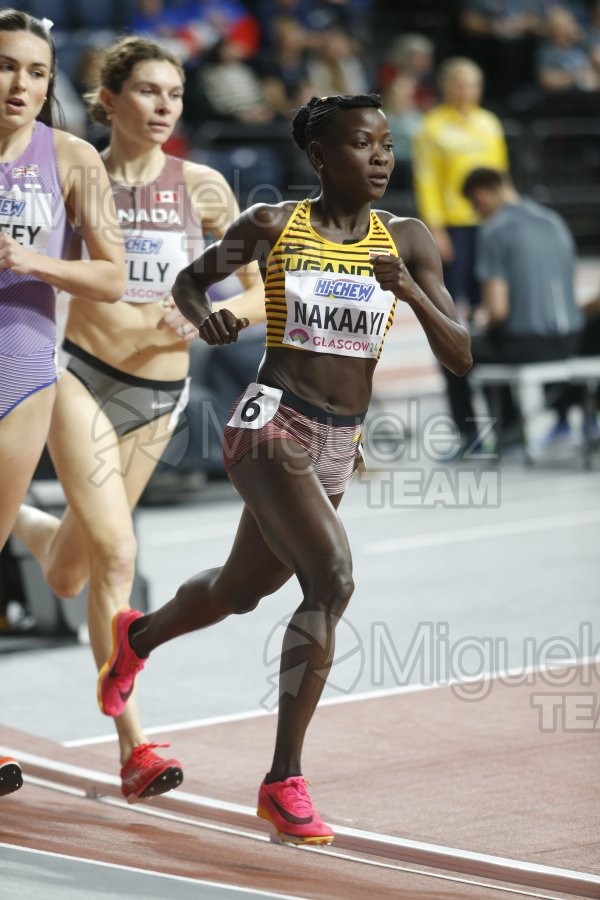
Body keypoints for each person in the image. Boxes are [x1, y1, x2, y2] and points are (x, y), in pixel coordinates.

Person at [95, 92, 472, 844]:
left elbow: (460, 356)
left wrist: (409, 295)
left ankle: (136, 639)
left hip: (338, 440)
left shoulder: (409, 240)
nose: (379, 158)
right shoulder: (273, 224)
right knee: (330, 578)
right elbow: (190, 281)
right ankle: (283, 780)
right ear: (320, 158)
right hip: (271, 421)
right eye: (362, 144)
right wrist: (205, 319)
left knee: (240, 591)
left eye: (387, 144)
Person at [12, 35, 264, 803]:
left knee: (71, 564)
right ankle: (135, 746)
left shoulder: (206, 188)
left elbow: (261, 295)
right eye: (148, 92)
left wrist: (210, 319)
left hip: (160, 394)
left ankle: (18, 517)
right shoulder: (71, 170)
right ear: (108, 100)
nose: (164, 107)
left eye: (175, 94)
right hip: (77, 373)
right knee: (118, 551)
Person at [0, 9, 125, 798]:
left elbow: (111, 275)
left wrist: (33, 262)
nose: (21, 84)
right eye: (7, 67)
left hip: (20, 374)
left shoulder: (71, 158)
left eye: (37, 72)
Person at [412, 57, 508, 447]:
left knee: (493, 319)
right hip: (453, 229)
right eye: (461, 83)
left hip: (490, 225)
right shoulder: (431, 127)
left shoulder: (489, 123)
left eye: (475, 84)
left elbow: (501, 176)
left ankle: (508, 423)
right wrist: (436, 230)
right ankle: (466, 429)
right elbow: (427, 179)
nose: (468, 91)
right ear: (447, 86)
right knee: (451, 325)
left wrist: (507, 218)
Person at [458, 166, 584, 448]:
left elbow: (498, 310)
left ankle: (494, 434)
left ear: (481, 196)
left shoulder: (494, 230)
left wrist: (479, 320)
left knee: (458, 347)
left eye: (475, 207)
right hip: (571, 339)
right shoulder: (554, 221)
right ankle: (563, 419)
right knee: (541, 327)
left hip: (530, 345)